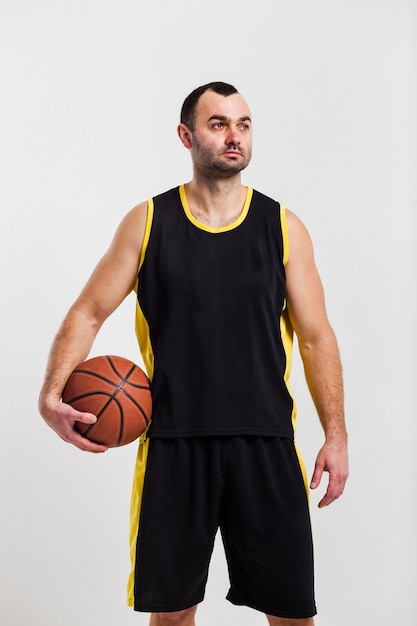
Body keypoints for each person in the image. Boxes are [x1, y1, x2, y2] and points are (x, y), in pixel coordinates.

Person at [39, 81, 348, 626]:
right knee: (172, 616)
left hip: (267, 442)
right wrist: (50, 395)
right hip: (174, 444)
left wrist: (336, 434)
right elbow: (88, 309)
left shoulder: (282, 227)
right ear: (186, 135)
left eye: (244, 124)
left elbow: (318, 336)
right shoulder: (148, 221)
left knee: (293, 615)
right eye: (219, 124)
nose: (235, 136)